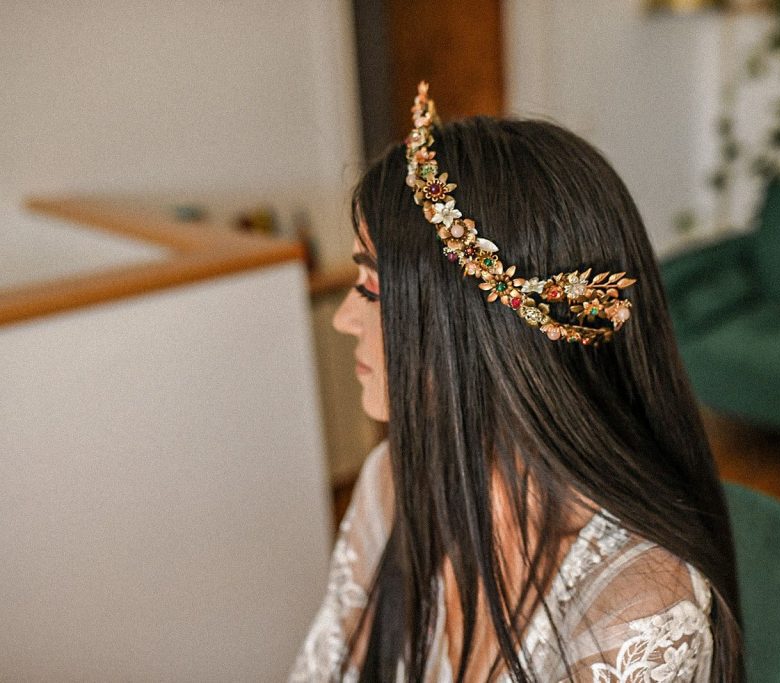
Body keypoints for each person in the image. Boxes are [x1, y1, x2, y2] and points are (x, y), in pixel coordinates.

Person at [289, 83, 743, 682]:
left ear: (477, 330)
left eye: (371, 289)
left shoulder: (634, 611)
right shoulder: (391, 481)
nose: (345, 319)